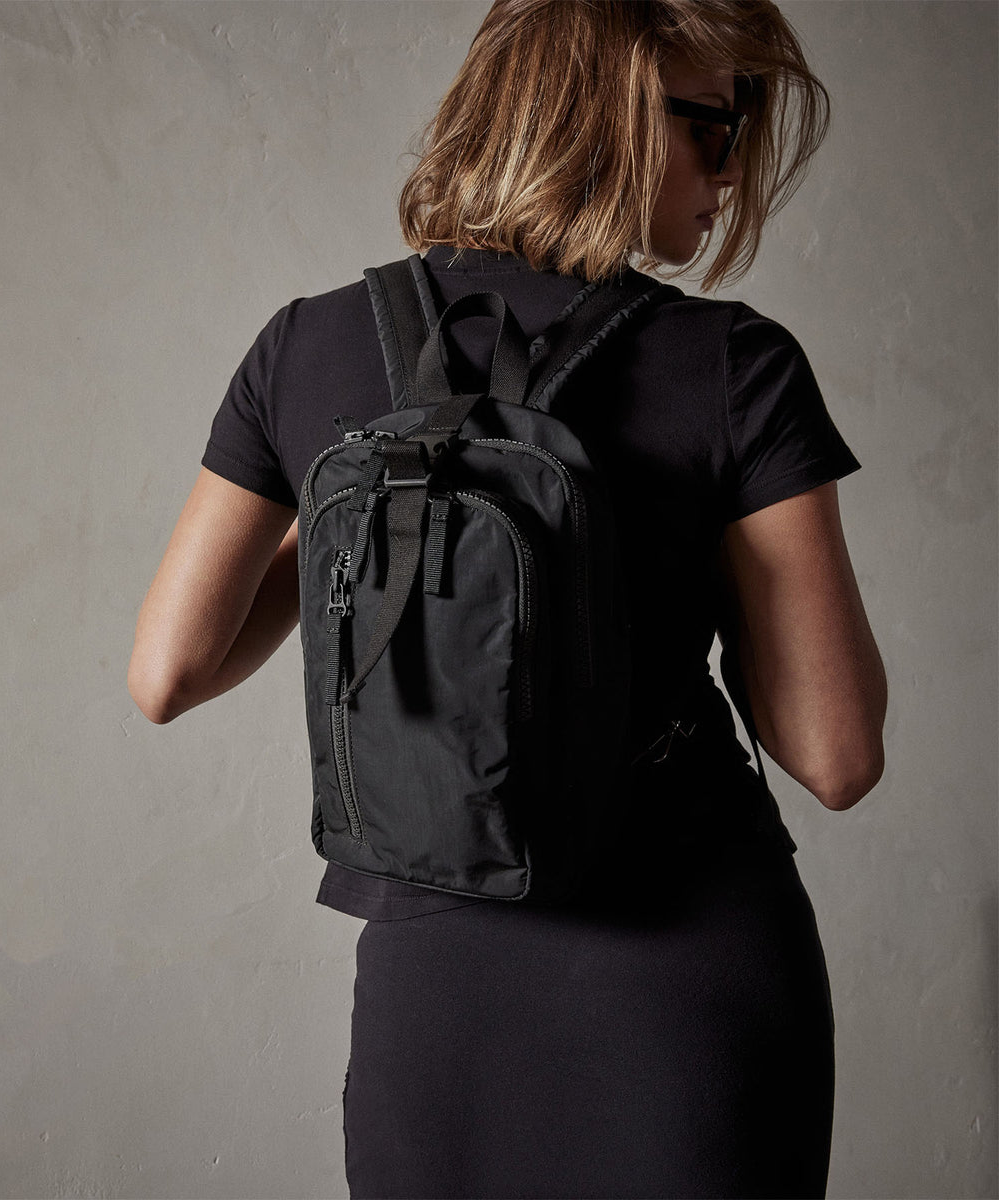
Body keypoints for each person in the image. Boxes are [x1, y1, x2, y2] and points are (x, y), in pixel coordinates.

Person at [128, 1, 888, 1195]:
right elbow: (834, 755)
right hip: (681, 984)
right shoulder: (735, 366)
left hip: (436, 994)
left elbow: (168, 672)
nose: (733, 170)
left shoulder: (305, 345)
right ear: (609, 117)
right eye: (714, 124)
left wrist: (376, 517)